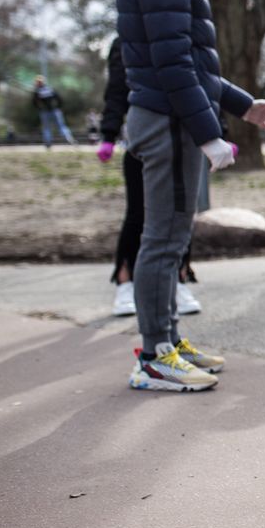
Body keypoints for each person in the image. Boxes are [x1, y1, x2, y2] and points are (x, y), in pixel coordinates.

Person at [115, 0, 265, 392]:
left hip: (168, 118)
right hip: (167, 122)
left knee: (171, 237)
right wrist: (211, 133)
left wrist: (244, 106)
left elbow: (194, 63)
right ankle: (154, 356)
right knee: (163, 240)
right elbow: (174, 68)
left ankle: (167, 340)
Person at [98, 36, 203, 318]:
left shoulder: (185, 35)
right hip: (143, 140)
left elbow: (205, 83)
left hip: (183, 136)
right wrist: (108, 134)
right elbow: (117, 90)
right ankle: (124, 280)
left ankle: (179, 279)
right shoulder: (126, 42)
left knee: (182, 214)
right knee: (139, 214)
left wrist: (216, 132)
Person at [32, 75, 75, 147]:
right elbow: (59, 99)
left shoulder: (37, 91)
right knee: (61, 126)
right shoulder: (50, 89)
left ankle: (48, 143)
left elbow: (34, 102)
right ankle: (68, 138)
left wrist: (39, 109)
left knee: (47, 128)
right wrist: (58, 107)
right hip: (54, 110)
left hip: (45, 112)